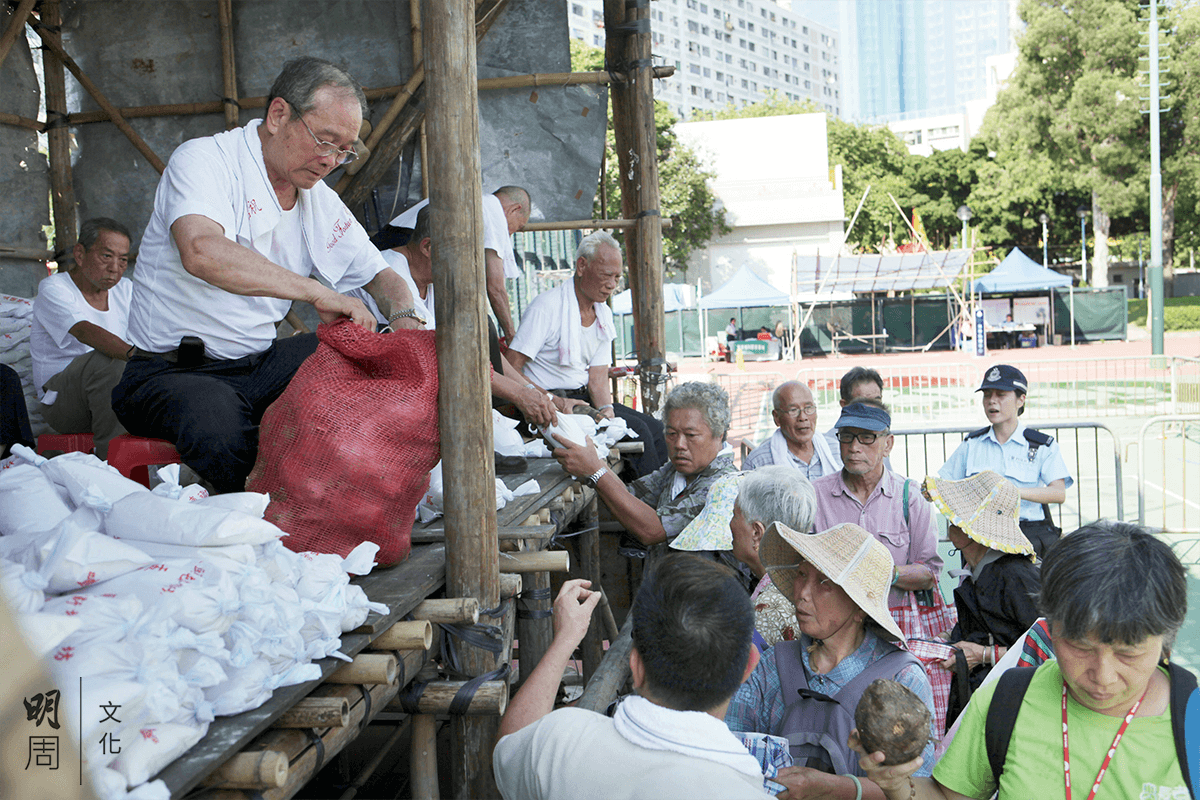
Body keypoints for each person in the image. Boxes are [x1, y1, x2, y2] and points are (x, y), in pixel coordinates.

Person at [112, 56, 421, 493]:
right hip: (173, 372)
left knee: (368, 359)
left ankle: (358, 492)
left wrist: (407, 318)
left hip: (258, 366)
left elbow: (380, 275)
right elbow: (201, 250)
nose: (331, 160)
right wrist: (316, 293)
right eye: (325, 141)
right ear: (279, 115)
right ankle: (284, 515)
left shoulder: (317, 198)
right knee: (222, 432)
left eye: (344, 150)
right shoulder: (207, 160)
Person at [855, 520, 1195, 800]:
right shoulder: (1008, 701)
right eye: (1079, 646)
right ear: (1048, 627)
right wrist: (897, 783)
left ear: (1167, 640)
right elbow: (948, 796)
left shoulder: (1191, 724)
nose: (1102, 676)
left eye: (1128, 652)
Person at [493, 558, 770, 799]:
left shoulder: (563, 742)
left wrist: (565, 639)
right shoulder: (749, 791)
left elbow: (510, 746)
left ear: (635, 665)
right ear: (749, 665)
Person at [726, 521, 936, 791]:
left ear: (860, 607)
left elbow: (917, 789)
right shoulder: (773, 666)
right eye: (801, 575)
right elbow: (731, 752)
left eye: (824, 582)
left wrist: (837, 789)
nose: (801, 594)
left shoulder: (902, 679)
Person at [347, 205, 555, 425]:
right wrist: (519, 395)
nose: (466, 264)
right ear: (428, 247)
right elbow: (440, 354)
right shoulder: (391, 268)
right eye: (460, 254)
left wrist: (532, 392)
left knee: (481, 325)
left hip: (429, 385)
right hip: (381, 391)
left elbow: (482, 347)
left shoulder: (436, 278)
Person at [508, 231, 667, 477]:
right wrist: (551, 401)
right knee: (640, 434)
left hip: (582, 400)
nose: (612, 285)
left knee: (655, 428)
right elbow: (511, 367)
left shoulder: (602, 314)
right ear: (582, 266)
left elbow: (597, 378)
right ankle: (641, 506)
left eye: (616, 277)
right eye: (606, 275)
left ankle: (655, 504)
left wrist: (606, 409)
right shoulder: (546, 307)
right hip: (545, 405)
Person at [552, 381, 735, 563]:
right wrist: (593, 462)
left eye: (691, 435)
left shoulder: (723, 487)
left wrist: (595, 470)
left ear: (719, 434)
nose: (679, 444)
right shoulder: (676, 471)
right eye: (671, 434)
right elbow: (629, 494)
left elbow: (652, 530)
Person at [812, 400, 942, 637]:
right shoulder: (816, 496)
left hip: (894, 628)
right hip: (833, 630)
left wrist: (886, 573)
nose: (854, 447)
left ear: (888, 444)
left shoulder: (910, 497)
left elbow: (929, 574)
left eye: (867, 438)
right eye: (847, 436)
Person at [672, 466, 819, 649]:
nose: (730, 524)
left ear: (757, 532)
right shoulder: (807, 580)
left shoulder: (767, 609)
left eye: (734, 515)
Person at [938, 364, 1073, 558]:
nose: (992, 401)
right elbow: (945, 484)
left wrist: (1013, 493)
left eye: (1001, 395)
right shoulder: (972, 444)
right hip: (980, 539)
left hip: (1026, 537)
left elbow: (1058, 493)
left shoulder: (1041, 445)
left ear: (1021, 400)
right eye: (987, 395)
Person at [922, 471, 1040, 685]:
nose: (950, 519)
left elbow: (1046, 647)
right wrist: (946, 638)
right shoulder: (973, 567)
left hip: (1014, 691)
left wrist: (984, 654)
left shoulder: (1016, 575)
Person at [30, 218, 134, 458]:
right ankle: (113, 466)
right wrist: (135, 356)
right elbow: (85, 331)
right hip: (63, 402)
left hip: (114, 390)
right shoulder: (54, 288)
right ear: (80, 254)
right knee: (109, 360)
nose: (115, 268)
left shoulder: (126, 290)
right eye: (107, 256)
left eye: (123, 260)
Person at [390, 185, 530, 341]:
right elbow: (495, 287)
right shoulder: (491, 208)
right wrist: (511, 336)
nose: (509, 236)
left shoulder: (474, 204)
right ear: (515, 209)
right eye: (516, 229)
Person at [742, 380, 841, 479]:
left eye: (809, 408)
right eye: (793, 410)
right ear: (776, 417)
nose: (803, 417)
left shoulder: (836, 450)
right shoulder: (759, 462)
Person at [822, 366, 883, 456]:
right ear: (844, 405)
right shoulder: (830, 446)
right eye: (863, 402)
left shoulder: (880, 436)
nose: (872, 409)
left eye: (876, 401)